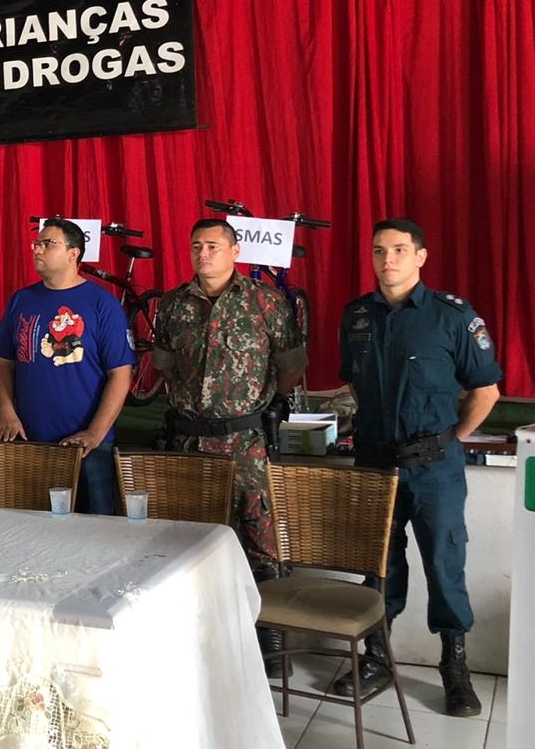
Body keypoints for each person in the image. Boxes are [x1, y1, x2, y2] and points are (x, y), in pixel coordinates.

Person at [331, 219, 500, 717]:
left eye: (400, 250)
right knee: (378, 565)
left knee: (445, 566)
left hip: (435, 469)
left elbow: (486, 391)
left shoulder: (452, 317)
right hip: (375, 464)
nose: (388, 260)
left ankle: (454, 668)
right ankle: (376, 657)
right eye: (379, 250)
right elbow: (356, 383)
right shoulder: (356, 316)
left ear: (421, 256)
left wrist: (447, 441)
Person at [152, 219, 307, 578]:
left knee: (262, 548)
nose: (203, 253)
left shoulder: (265, 301)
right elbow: (166, 365)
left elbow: (291, 365)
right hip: (190, 441)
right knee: (189, 547)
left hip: (245, 443)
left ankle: (268, 615)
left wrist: (273, 400)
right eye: (196, 246)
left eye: (212, 246)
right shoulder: (174, 304)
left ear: (235, 251)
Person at [0, 218, 134, 514]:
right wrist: (6, 411)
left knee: (96, 528)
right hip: (30, 439)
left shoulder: (102, 304)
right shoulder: (22, 300)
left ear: (73, 253)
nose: (37, 250)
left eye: (47, 244)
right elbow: (3, 363)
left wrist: (95, 433)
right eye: (36, 244)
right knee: (31, 525)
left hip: (89, 447)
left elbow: (120, 374)